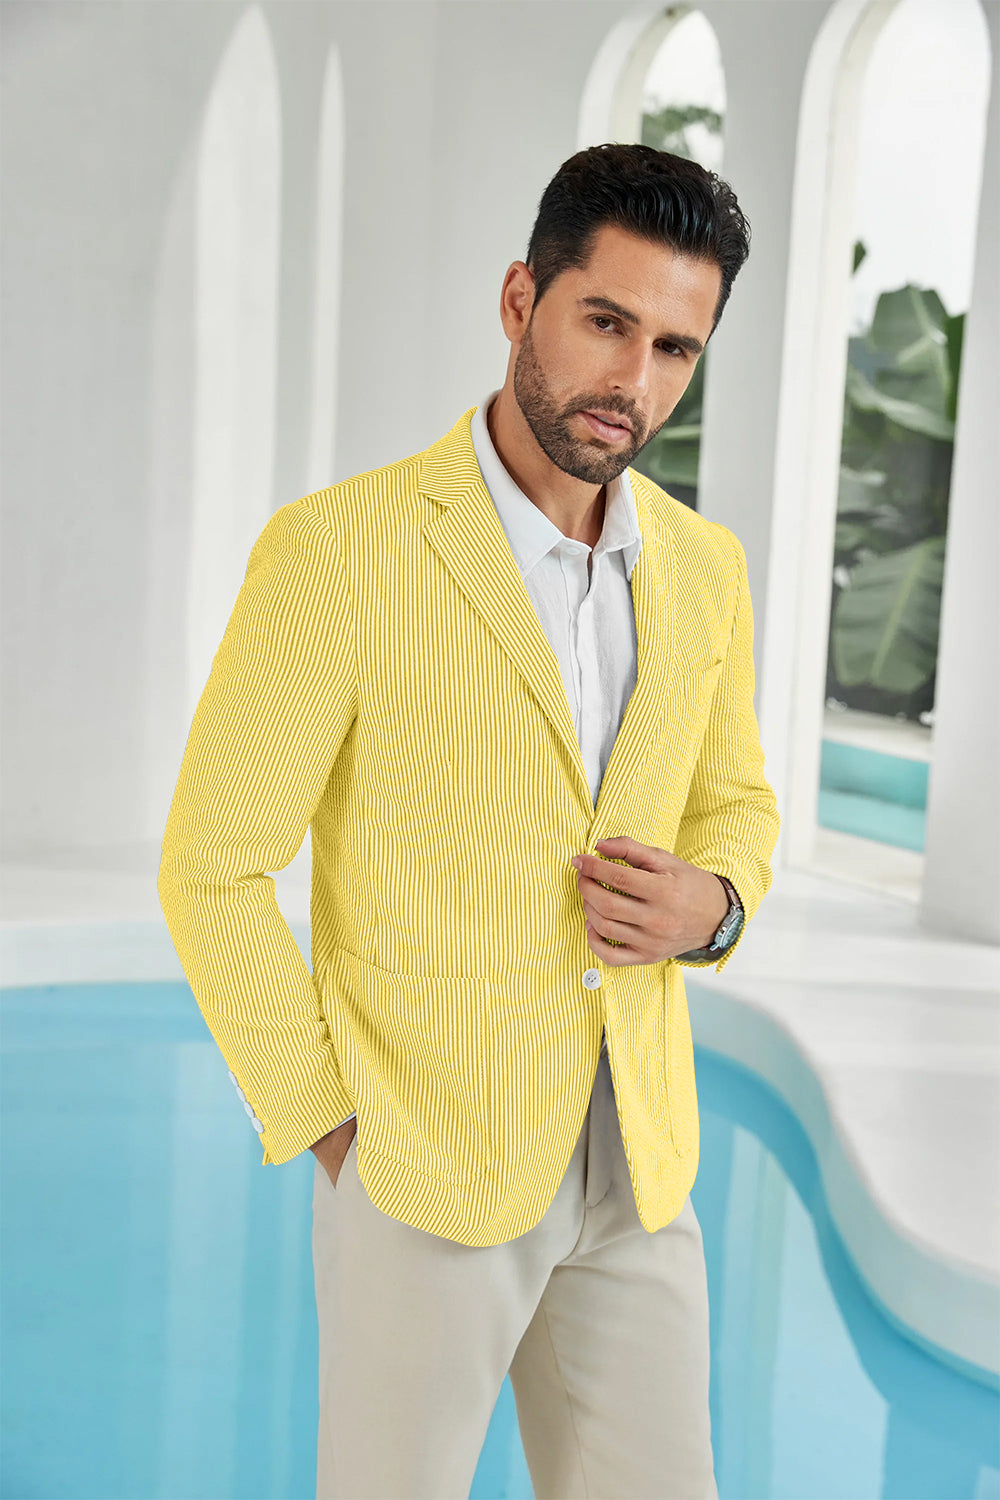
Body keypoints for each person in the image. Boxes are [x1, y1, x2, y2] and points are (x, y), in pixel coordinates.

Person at [158, 141, 780, 1500]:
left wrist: (717, 906)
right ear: (519, 301)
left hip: (640, 1158)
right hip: (422, 1165)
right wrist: (331, 1126)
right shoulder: (339, 551)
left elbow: (734, 799)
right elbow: (213, 866)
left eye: (676, 347)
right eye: (606, 322)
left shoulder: (705, 568)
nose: (634, 381)